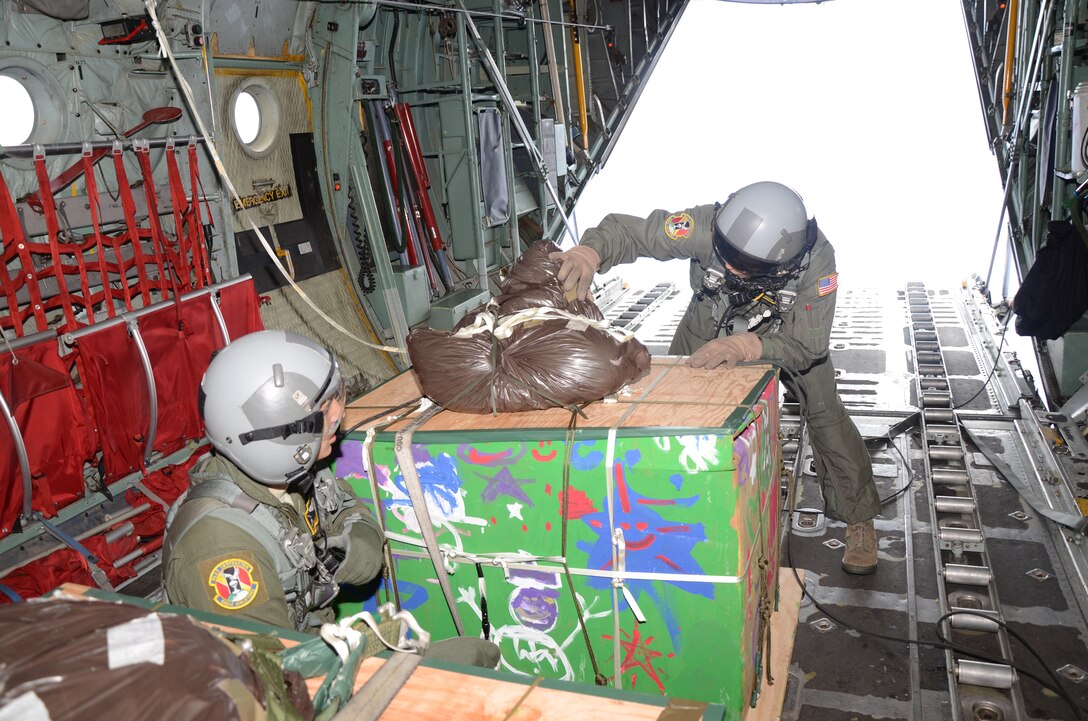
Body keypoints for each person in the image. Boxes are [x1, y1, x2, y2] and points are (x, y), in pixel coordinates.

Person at [551, 181, 882, 574]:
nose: (731, 269)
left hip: (785, 340)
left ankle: (859, 518)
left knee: (827, 417)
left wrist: (748, 347)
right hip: (709, 326)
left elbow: (808, 346)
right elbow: (631, 231)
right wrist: (591, 250)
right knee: (670, 406)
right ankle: (668, 505)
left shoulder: (818, 265)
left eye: (748, 266)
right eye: (727, 256)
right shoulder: (707, 225)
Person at [162, 329, 385, 630]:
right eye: (323, 409)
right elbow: (272, 668)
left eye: (335, 399)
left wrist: (341, 554)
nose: (337, 415)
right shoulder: (221, 549)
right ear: (278, 434)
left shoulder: (295, 478)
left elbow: (350, 511)